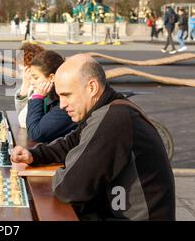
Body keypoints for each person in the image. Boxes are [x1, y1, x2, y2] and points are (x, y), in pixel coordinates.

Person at [11, 54, 175, 221]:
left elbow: (69, 187)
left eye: (67, 95)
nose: (62, 104)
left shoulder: (114, 118)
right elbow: (72, 142)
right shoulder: (109, 108)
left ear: (92, 88)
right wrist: (35, 155)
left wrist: (61, 173)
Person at [25, 51, 77, 143]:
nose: (32, 82)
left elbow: (35, 133)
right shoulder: (50, 97)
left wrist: (37, 97)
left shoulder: (65, 104)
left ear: (52, 78)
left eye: (36, 77)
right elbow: (24, 122)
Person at [15, 42, 45, 128]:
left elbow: (24, 121)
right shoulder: (31, 85)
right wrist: (25, 85)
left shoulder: (41, 86)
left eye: (22, 69)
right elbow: (20, 114)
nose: (21, 73)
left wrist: (26, 82)